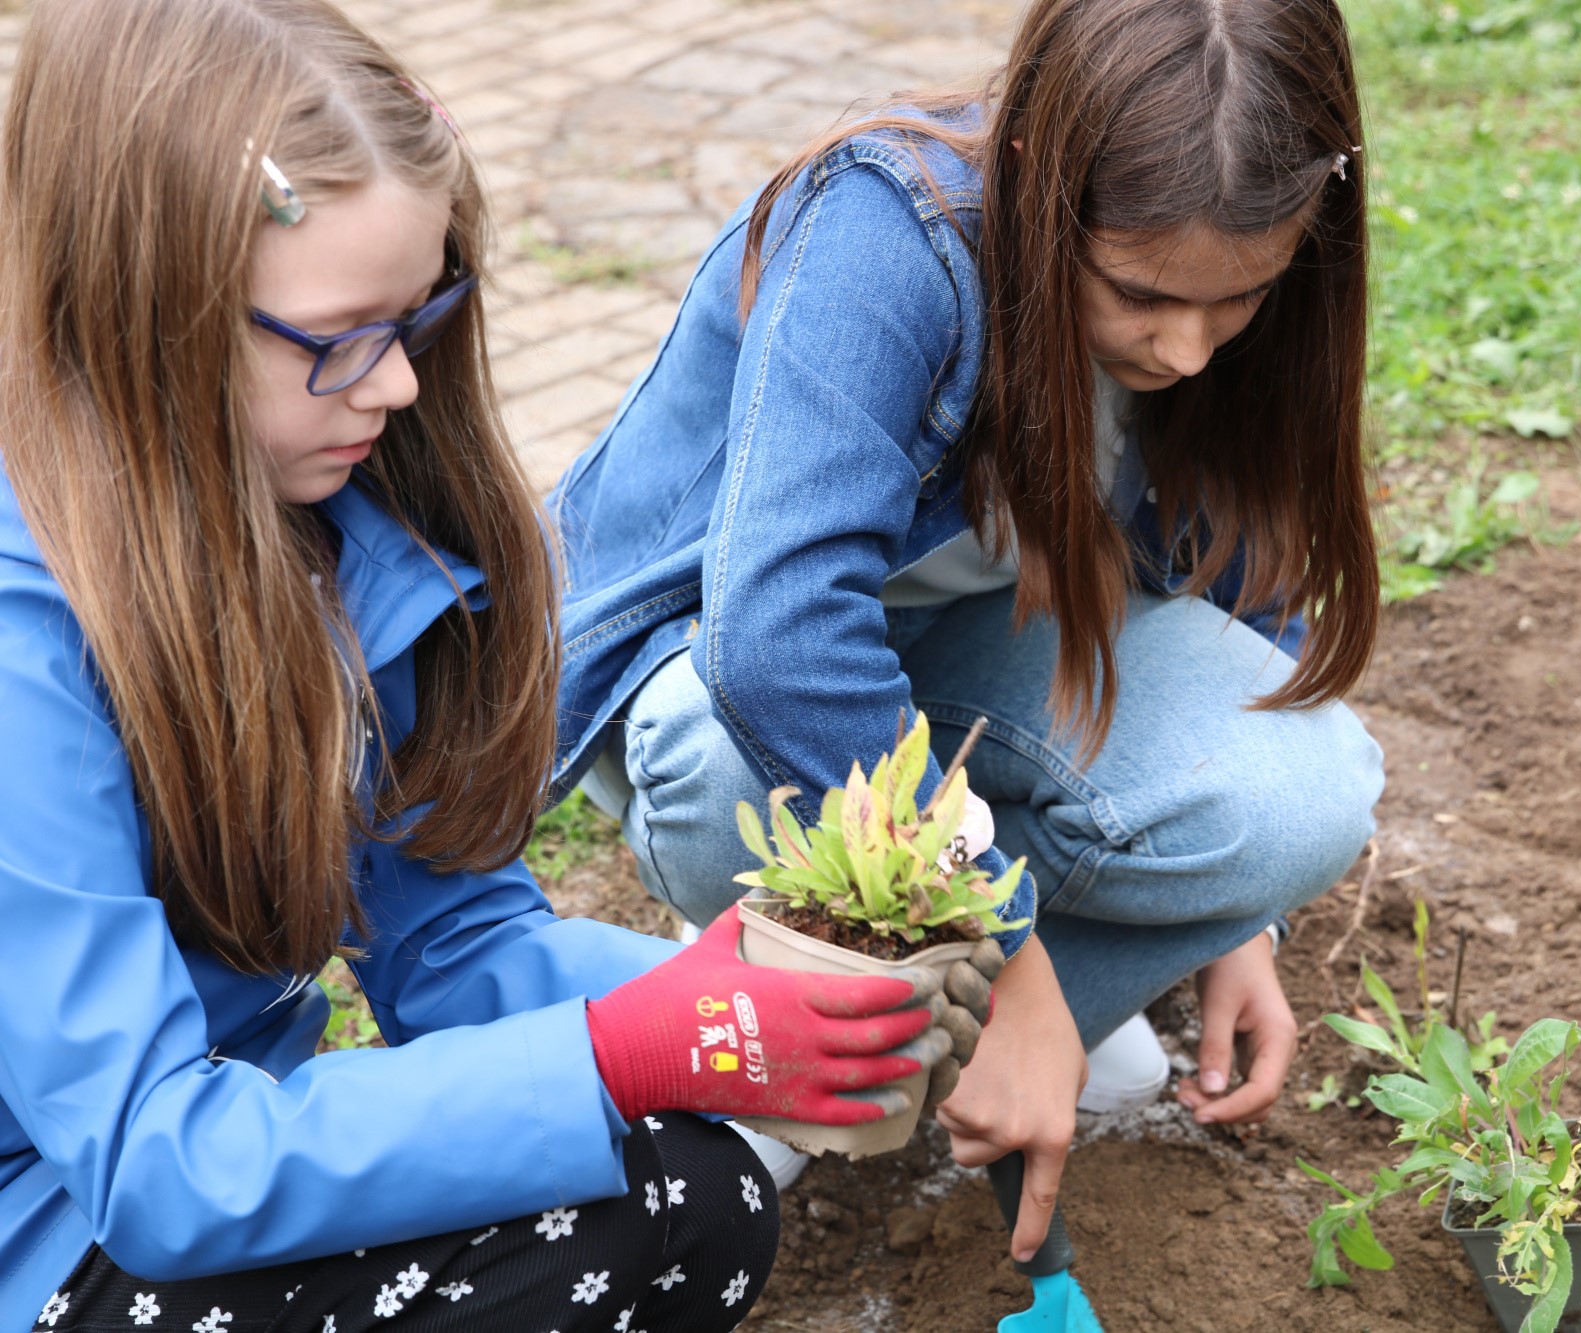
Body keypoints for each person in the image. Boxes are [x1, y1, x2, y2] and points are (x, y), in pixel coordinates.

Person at [0, 2, 968, 1330]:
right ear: (145, 316)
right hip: (59, 1227)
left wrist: (726, 1000)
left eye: (420, 314)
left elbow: (449, 942)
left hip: (211, 1153)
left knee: (694, 1200)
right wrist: (629, 1049)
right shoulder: (24, 649)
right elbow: (156, 1160)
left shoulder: (329, 527)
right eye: (340, 338)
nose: (397, 384)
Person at [552, 0, 1387, 1264]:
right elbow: (776, 637)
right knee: (737, 775)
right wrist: (1014, 959)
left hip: (955, 664)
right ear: (1051, 194)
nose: (1189, 350)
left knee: (1301, 791)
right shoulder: (891, 230)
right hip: (714, 674)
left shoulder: (1230, 306)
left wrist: (1239, 928)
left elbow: (1243, 565)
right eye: (1144, 295)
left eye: (1241, 301)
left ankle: (871, 1020)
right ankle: (802, 1000)